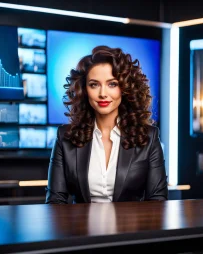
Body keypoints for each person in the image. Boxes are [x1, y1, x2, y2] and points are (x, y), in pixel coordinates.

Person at [45, 45, 168, 204]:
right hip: (80, 228)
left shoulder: (149, 137)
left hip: (132, 229)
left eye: (112, 84)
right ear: (84, 90)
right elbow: (55, 202)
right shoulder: (65, 137)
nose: (103, 94)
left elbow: (157, 201)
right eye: (94, 84)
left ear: (125, 88)